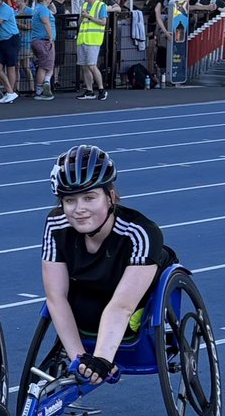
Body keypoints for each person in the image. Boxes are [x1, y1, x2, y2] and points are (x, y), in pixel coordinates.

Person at [41, 146, 167, 384]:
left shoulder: (140, 232)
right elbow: (55, 297)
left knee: (120, 310)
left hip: (131, 304)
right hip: (87, 300)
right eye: (70, 200)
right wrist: (79, 360)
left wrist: (101, 360)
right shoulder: (55, 224)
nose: (79, 209)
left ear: (110, 196)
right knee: (67, 301)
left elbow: (122, 306)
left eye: (90, 198)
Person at [76, 0, 113, 101]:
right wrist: (83, 16)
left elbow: (103, 22)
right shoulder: (84, 5)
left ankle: (101, 89)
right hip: (83, 39)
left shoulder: (100, 5)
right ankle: (89, 90)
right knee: (84, 66)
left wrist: (89, 16)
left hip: (93, 40)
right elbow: (80, 22)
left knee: (91, 65)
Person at [29, 0, 56, 100]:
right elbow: (46, 21)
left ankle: (46, 83)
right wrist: (50, 36)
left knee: (48, 64)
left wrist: (50, 1)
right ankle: (40, 90)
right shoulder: (43, 10)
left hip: (37, 40)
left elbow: (54, 11)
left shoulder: (38, 9)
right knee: (44, 66)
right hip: (44, 40)